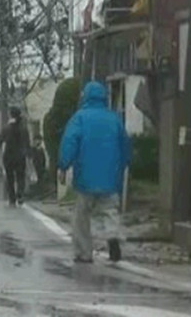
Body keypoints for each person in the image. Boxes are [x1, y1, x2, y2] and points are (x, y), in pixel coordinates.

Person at [58, 81, 131, 264]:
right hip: (110, 176)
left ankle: (84, 253)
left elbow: (69, 143)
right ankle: (113, 237)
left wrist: (63, 166)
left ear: (85, 97)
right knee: (109, 210)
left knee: (82, 215)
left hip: (85, 176)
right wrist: (123, 166)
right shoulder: (114, 118)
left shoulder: (79, 118)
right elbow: (125, 146)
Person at [1, 106, 30, 207]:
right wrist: (29, 155)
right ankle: (20, 193)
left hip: (8, 156)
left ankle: (12, 199)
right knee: (20, 176)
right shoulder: (23, 128)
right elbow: (27, 143)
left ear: (10, 114)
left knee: (10, 178)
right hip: (20, 156)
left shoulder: (6, 128)